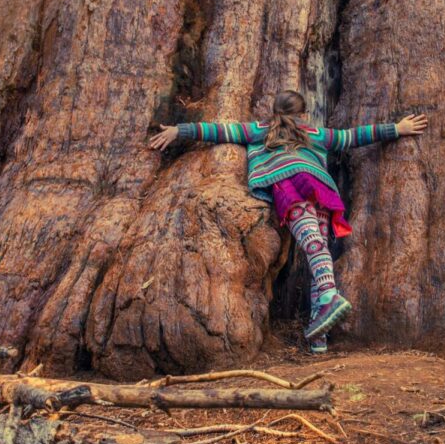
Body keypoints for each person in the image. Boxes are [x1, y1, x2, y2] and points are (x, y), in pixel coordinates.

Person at [149, 90, 428, 353]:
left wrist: (179, 130)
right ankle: (319, 338)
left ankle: (330, 297)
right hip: (318, 187)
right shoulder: (316, 134)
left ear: (274, 111)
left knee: (312, 245)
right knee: (319, 250)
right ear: (303, 114)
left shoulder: (261, 131)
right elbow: (352, 136)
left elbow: (218, 131)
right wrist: (397, 128)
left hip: (289, 187)